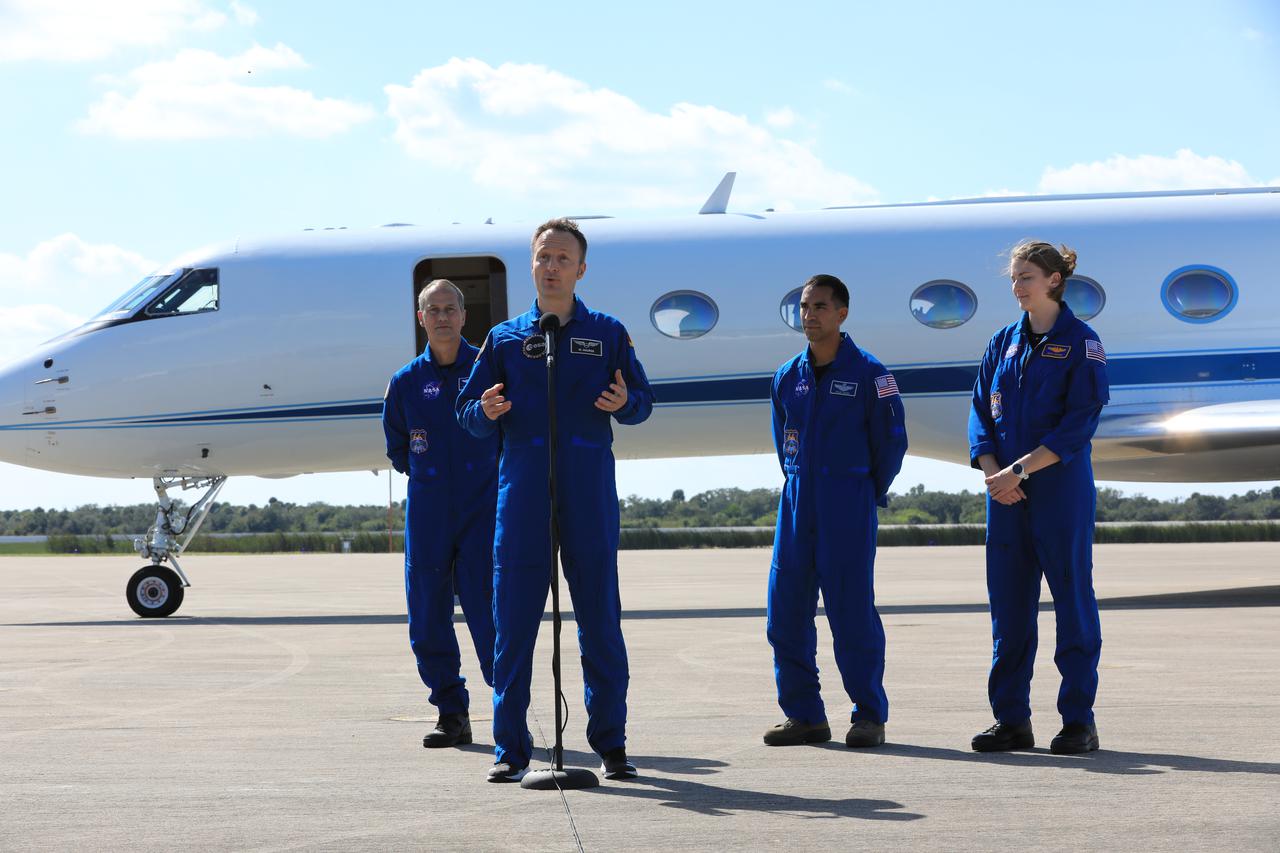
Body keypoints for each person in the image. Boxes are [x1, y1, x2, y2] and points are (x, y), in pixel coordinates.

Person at [457, 217, 654, 783]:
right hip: (521, 496)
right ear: (532, 264)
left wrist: (624, 402)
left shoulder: (609, 332)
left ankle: (611, 746)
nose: (552, 267)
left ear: (581, 269)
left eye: (563, 258)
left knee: (600, 622)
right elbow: (467, 415)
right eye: (543, 257)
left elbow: (642, 400)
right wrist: (485, 412)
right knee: (513, 624)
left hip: (587, 492)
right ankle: (510, 749)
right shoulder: (505, 339)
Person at [967, 241, 1109, 755]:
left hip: (1058, 494)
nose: (1017, 286)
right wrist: (993, 476)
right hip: (1005, 499)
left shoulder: (1081, 344)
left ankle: (1078, 722)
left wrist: (1018, 470)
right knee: (1009, 612)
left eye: (1025, 276)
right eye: (1013, 277)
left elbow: (1079, 425)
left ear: (1053, 280)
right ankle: (1011, 720)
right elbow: (980, 413)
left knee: (1072, 605)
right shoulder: (1000, 343)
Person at [763, 274, 908, 749]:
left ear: (842, 313)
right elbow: (783, 441)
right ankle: (805, 715)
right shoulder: (787, 376)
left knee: (851, 614)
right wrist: (799, 483)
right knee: (784, 615)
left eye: (820, 307)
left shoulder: (871, 375)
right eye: (804, 307)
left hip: (847, 501)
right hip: (797, 502)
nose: (810, 315)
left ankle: (868, 715)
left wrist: (865, 490)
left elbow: (891, 443)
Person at [383, 279, 498, 749]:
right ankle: (452, 713)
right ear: (421, 318)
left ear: (464, 316)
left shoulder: (489, 370)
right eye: (435, 310)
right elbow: (398, 447)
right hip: (429, 514)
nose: (444, 317)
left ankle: (512, 710)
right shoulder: (407, 382)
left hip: (484, 510)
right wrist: (435, 481)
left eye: (451, 309)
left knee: (491, 614)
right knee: (428, 616)